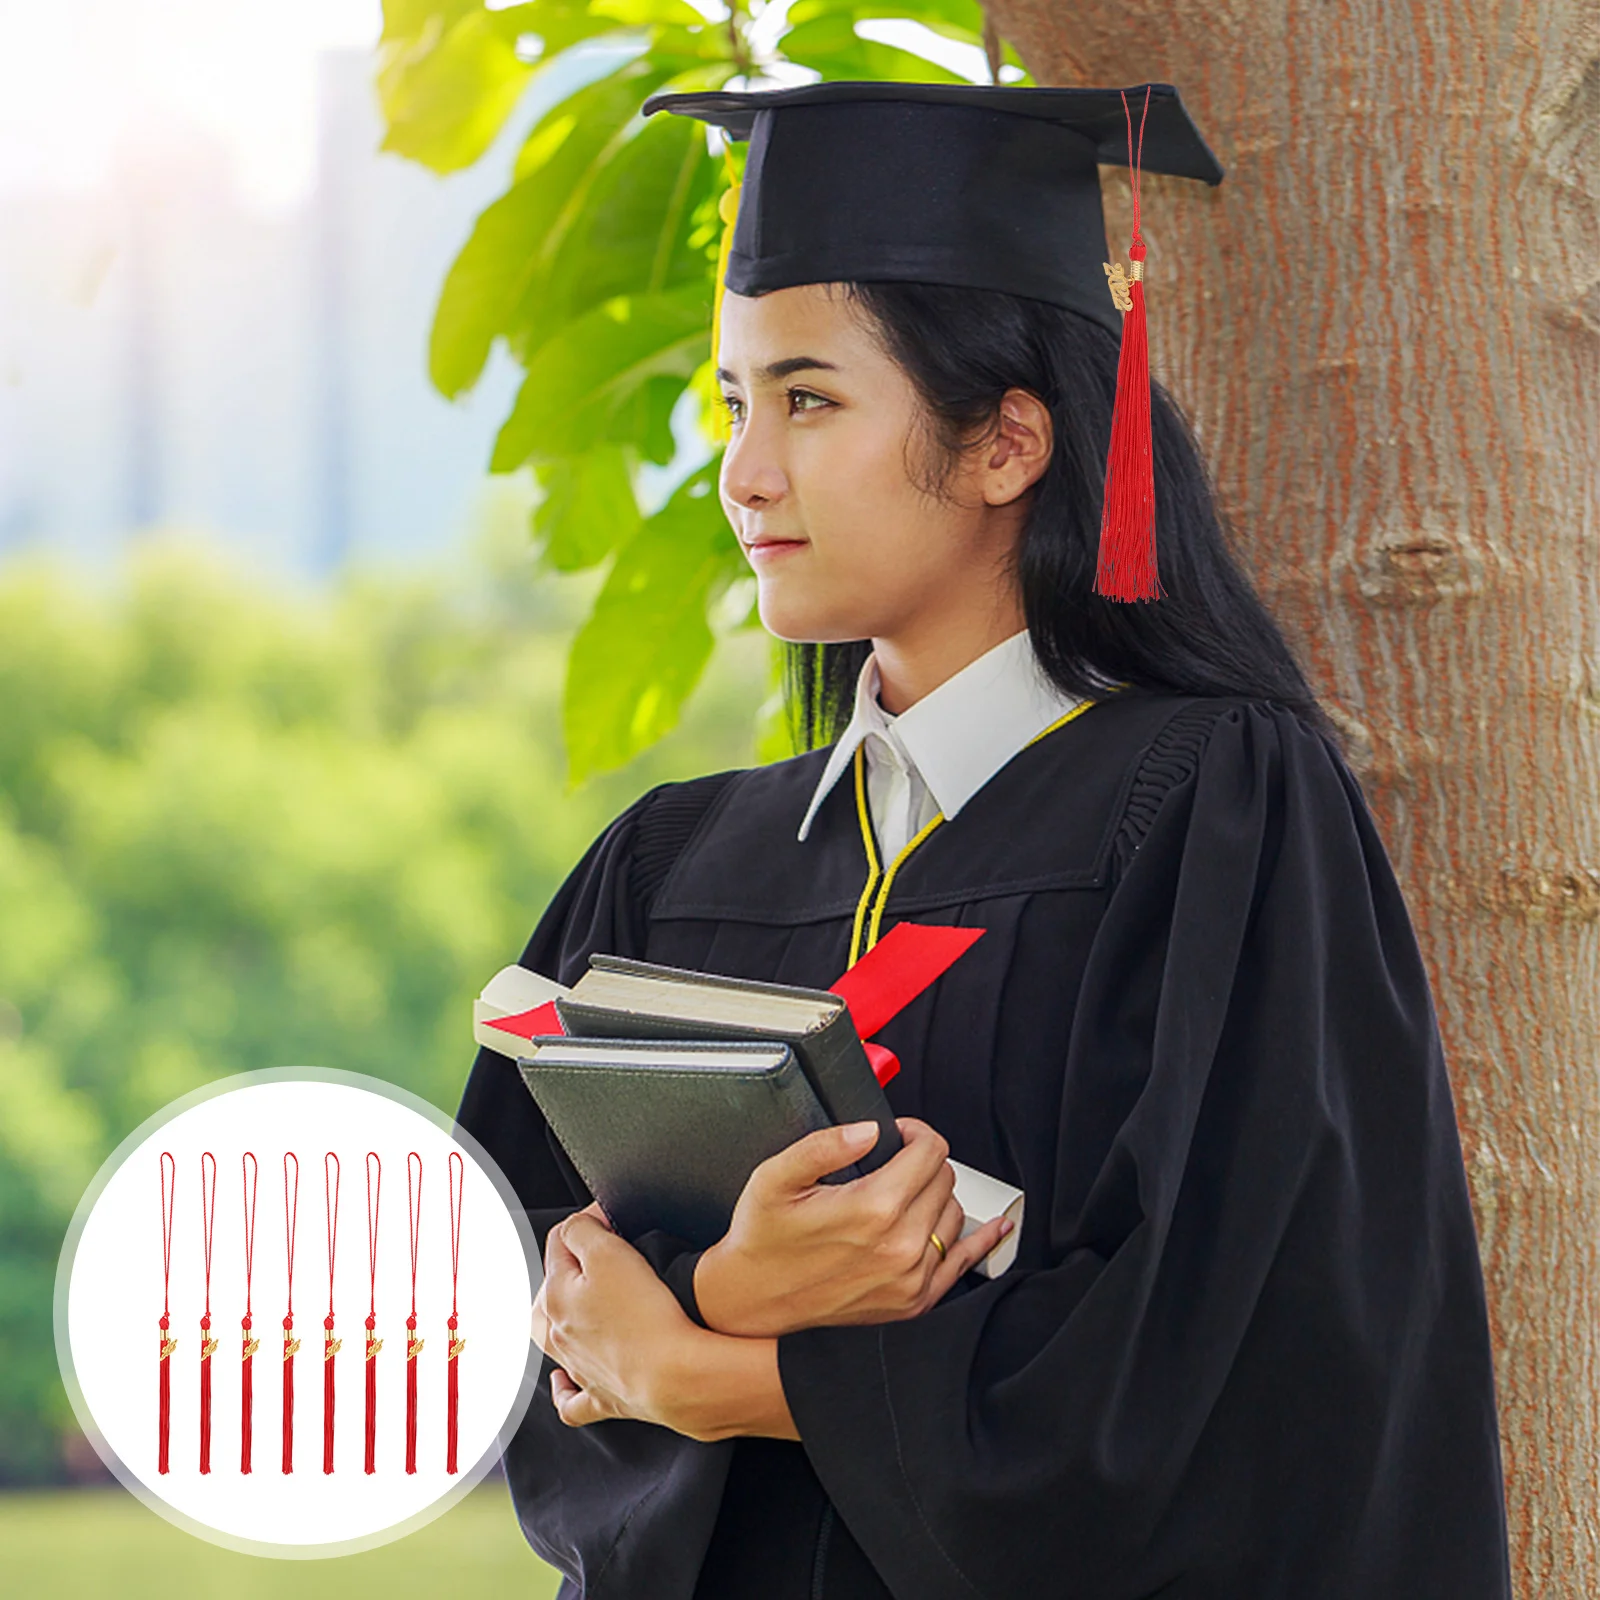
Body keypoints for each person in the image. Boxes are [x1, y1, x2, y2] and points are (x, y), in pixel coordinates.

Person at [454, 81, 1513, 1599]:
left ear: (1007, 442)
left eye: (808, 399)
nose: (745, 472)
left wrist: (717, 1375)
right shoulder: (674, 866)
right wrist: (725, 1283)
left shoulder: (1217, 810)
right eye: (731, 403)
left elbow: (1246, 1363)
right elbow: (492, 1276)